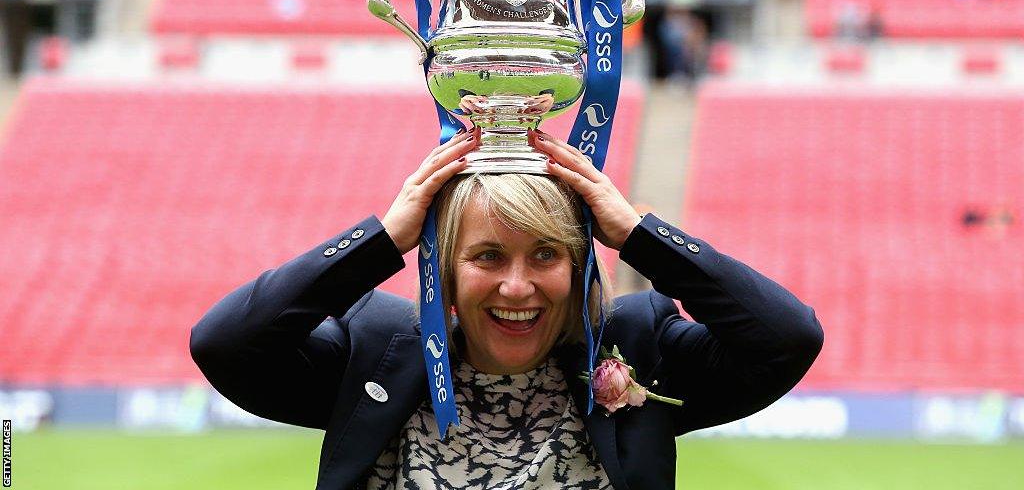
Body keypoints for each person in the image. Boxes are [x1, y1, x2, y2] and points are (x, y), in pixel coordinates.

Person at [190, 126, 824, 489]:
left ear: (578, 266)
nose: (517, 287)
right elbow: (225, 344)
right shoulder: (373, 355)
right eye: (487, 256)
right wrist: (381, 240)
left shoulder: (638, 350)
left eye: (546, 254)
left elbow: (787, 336)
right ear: (442, 266)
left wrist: (639, 236)